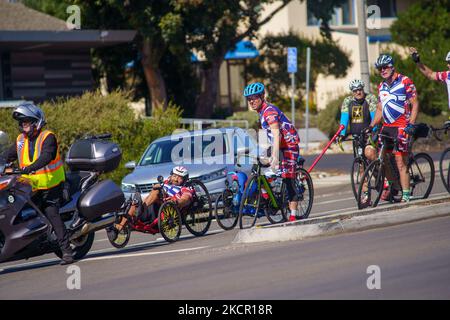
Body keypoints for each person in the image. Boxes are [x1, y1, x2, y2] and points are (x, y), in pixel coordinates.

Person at [1, 103, 73, 265]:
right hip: (30, 187)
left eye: (27, 122)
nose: (24, 126)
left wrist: (28, 168)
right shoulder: (21, 140)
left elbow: (46, 157)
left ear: (36, 122)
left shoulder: (48, 137)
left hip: (50, 186)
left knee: (51, 213)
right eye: (22, 123)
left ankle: (67, 250)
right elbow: (8, 155)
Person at [243, 82, 301, 222]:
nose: (251, 101)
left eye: (254, 97)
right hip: (277, 144)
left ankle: (292, 215)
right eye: (249, 99)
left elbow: (276, 135)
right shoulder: (260, 113)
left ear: (262, 96)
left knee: (288, 177)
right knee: (259, 170)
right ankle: (271, 199)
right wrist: (259, 154)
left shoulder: (269, 111)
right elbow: (264, 136)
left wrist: (274, 156)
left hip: (288, 144)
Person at [368, 54, 420, 203]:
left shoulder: (405, 81)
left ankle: (406, 194)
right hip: (387, 127)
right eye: (380, 69)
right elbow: (379, 108)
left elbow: (415, 103)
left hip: (402, 126)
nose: (382, 70)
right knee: (382, 157)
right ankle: (394, 185)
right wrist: (371, 125)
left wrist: (411, 123)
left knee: (399, 161)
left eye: (385, 67)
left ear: (392, 66)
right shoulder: (381, 86)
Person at [114, 166, 194, 234]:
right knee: (134, 203)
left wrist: (176, 201)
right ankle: (118, 227)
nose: (176, 179)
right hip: (154, 207)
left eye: (180, 177)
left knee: (156, 191)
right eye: (175, 176)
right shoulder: (165, 183)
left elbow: (185, 199)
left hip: (168, 211)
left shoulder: (185, 189)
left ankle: (141, 209)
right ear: (171, 176)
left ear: (184, 179)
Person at [409, 48, 450, 114]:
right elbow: (430, 74)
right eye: (448, 62)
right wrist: (418, 61)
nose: (448, 65)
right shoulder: (447, 75)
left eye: (449, 62)